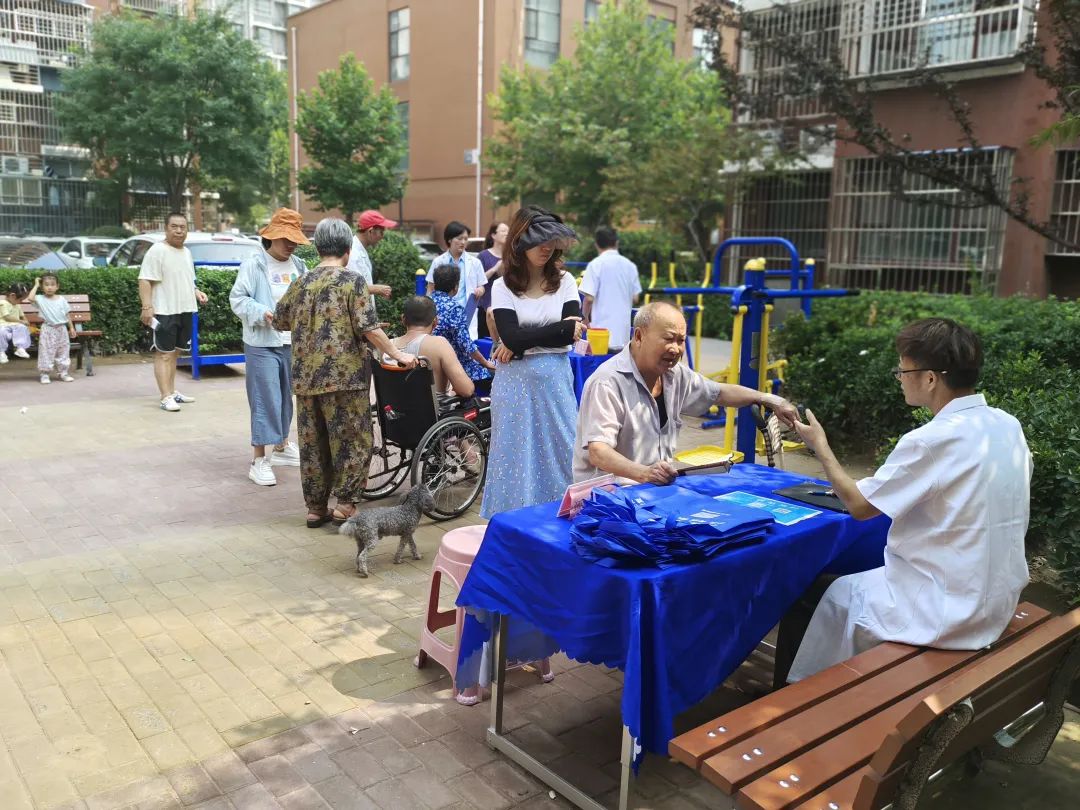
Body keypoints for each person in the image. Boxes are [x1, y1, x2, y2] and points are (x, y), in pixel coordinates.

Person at [779, 318, 1031, 685]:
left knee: (812, 592)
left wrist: (820, 446)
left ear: (929, 379)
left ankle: (794, 699)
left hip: (942, 610)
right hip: (994, 600)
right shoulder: (1007, 425)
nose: (899, 378)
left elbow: (860, 507)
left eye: (902, 370)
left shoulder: (930, 440)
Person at [273, 218, 416, 529]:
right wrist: (398, 354)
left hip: (306, 380)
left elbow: (279, 320)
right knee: (352, 440)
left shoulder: (300, 282)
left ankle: (315, 508)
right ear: (348, 250)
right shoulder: (353, 281)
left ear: (318, 248)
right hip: (345, 378)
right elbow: (369, 329)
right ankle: (345, 505)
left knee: (313, 444)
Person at [573, 301, 797, 484]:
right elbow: (598, 452)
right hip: (608, 498)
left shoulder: (675, 374)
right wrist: (645, 473)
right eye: (668, 339)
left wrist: (770, 399)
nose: (676, 349)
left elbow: (718, 393)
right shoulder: (608, 382)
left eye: (681, 340)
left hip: (654, 489)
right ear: (639, 336)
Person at [481, 205, 583, 518]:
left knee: (564, 449)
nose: (546, 246)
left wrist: (521, 342)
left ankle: (564, 518)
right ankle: (512, 524)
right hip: (514, 386)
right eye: (539, 239)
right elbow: (511, 335)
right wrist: (554, 330)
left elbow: (571, 334)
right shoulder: (502, 285)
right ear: (519, 241)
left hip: (555, 382)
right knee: (514, 456)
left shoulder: (565, 281)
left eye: (552, 239)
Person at [229, 208, 310, 488]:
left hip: (292, 343)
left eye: (295, 239)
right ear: (271, 236)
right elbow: (238, 299)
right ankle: (259, 460)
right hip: (262, 343)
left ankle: (282, 446)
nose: (291, 244)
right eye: (286, 238)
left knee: (286, 397)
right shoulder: (254, 264)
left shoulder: (300, 266)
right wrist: (262, 312)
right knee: (265, 399)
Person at [138, 212, 208, 412]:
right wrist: (147, 307)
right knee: (164, 354)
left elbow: (188, 280)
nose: (179, 231)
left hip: (185, 309)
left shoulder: (186, 252)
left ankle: (172, 391)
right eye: (174, 226)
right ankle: (165, 396)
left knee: (175, 353)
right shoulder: (157, 250)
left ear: (187, 230)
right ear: (166, 228)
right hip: (165, 311)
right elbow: (144, 280)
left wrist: (197, 292)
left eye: (182, 227)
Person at [390, 296, 477, 398]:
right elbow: (466, 390)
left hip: (393, 407)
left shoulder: (387, 347)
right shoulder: (439, 344)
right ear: (435, 321)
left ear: (403, 319)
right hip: (432, 408)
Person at [430, 264, 495, 395]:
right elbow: (466, 345)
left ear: (435, 284)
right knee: (491, 376)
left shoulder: (426, 303)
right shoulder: (454, 308)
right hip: (453, 362)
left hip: (430, 357)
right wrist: (485, 363)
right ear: (455, 287)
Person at [579, 226, 642, 351]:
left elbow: (589, 298)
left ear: (596, 245)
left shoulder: (595, 265)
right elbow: (635, 298)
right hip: (623, 336)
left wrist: (584, 318)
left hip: (600, 335)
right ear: (616, 243)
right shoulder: (630, 266)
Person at [425, 220, 486, 339]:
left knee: (466, 343)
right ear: (449, 239)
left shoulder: (475, 262)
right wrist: (428, 310)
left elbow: (482, 286)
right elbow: (430, 288)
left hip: (467, 313)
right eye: (459, 238)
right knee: (443, 343)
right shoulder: (438, 261)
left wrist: (480, 290)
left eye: (466, 239)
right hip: (443, 314)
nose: (463, 242)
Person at [25, 275, 77, 384]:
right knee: (46, 352)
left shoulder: (61, 299)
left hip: (62, 329)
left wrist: (71, 327)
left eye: (52, 285)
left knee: (63, 351)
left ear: (57, 286)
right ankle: (45, 374)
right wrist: (36, 285)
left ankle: (63, 373)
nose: (49, 287)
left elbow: (67, 314)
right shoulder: (40, 299)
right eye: (46, 285)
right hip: (48, 329)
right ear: (42, 287)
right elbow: (30, 298)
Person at [347, 209, 395, 315]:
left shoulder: (360, 250)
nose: (382, 236)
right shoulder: (354, 254)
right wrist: (377, 289)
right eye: (381, 232)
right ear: (371, 231)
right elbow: (352, 287)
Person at [476, 221, 508, 339]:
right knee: (485, 342)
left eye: (508, 231)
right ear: (493, 235)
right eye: (503, 231)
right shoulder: (483, 256)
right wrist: (495, 269)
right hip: (485, 308)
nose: (507, 234)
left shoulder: (511, 256)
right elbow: (477, 280)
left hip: (505, 308)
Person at [0, 283, 31, 364]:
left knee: (22, 327)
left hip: (14, 328)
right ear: (12, 296)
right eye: (20, 299)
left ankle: (20, 348)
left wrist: (26, 321)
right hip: (3, 325)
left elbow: (22, 316)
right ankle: (1, 352)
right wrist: (21, 321)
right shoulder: (3, 303)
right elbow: (7, 317)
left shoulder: (17, 305)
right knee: (1, 332)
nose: (21, 302)